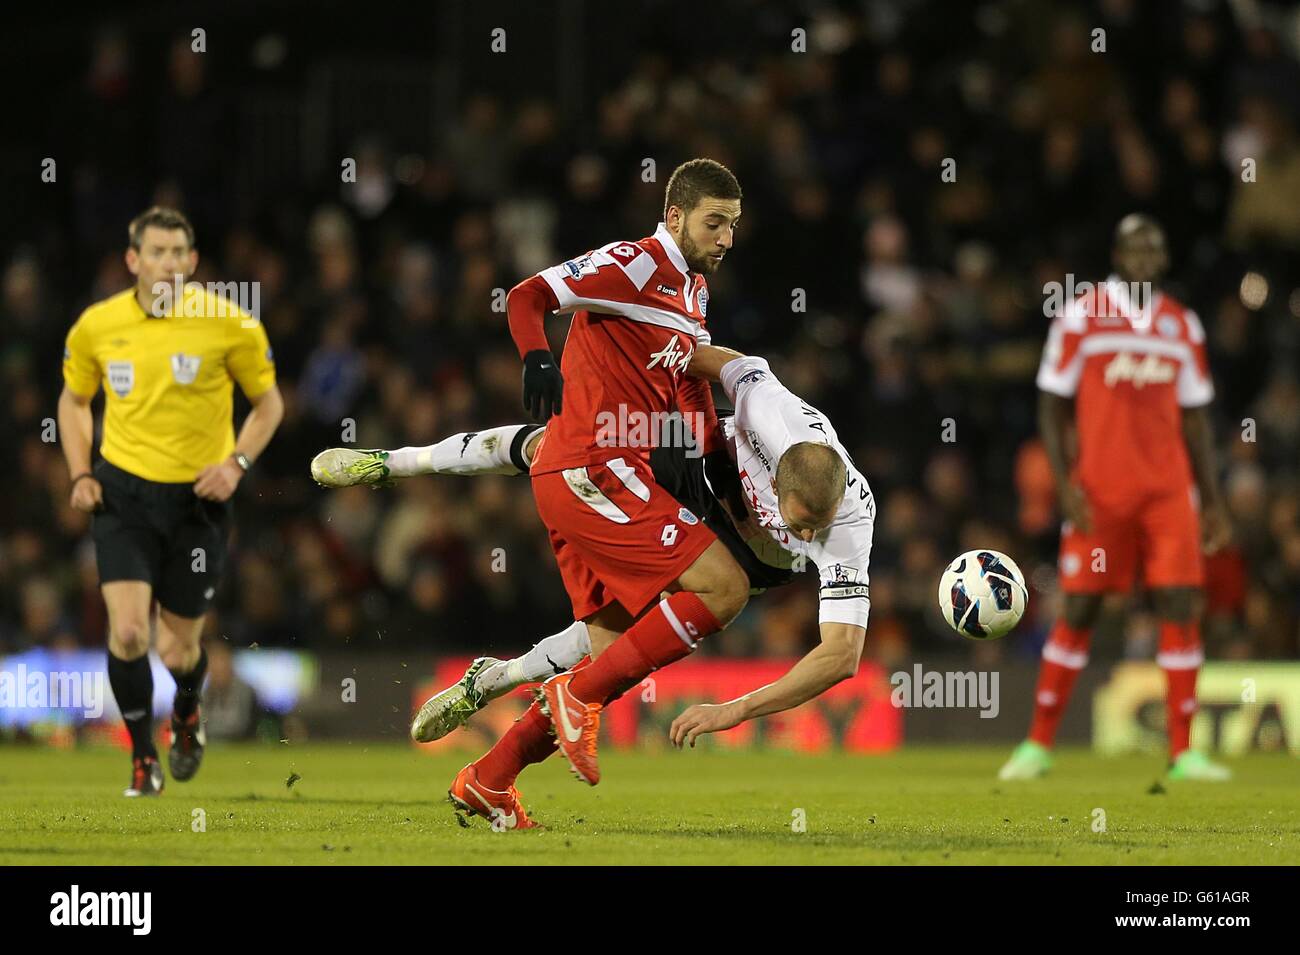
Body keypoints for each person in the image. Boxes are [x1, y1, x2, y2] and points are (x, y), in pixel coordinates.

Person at [314, 344, 877, 826]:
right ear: (774, 474)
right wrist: (662, 365)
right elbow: (710, 358)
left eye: (813, 528)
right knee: (558, 448)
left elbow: (840, 657)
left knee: (624, 646)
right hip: (699, 468)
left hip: (749, 560)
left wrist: (736, 710)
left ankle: (498, 688)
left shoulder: (849, 520)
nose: (806, 534)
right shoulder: (770, 410)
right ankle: (395, 462)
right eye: (798, 520)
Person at [58, 207, 283, 796]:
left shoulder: (229, 323)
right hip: (124, 494)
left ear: (192, 261)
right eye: (155, 252)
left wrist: (236, 465)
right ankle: (141, 757)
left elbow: (270, 405)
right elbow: (74, 401)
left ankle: (186, 713)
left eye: (178, 253)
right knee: (129, 633)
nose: (168, 263)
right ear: (133, 260)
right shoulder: (96, 326)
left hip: (197, 504)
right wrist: (81, 472)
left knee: (177, 646)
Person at [999, 214, 1232, 782]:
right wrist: (1063, 482)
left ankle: (1183, 753)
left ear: (1164, 258)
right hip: (1101, 490)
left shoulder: (1182, 325)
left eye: (1155, 248)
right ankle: (1037, 744)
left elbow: (1197, 419)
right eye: (1135, 247)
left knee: (1181, 604)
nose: (1146, 257)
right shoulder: (1082, 315)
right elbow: (1051, 404)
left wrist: (1214, 497)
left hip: (1169, 490)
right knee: (1080, 607)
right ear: (1118, 254)